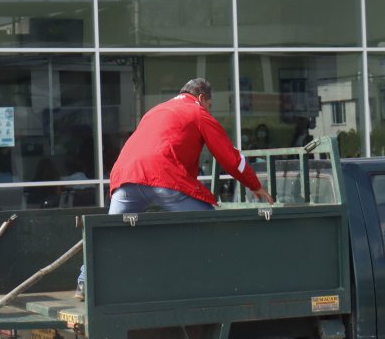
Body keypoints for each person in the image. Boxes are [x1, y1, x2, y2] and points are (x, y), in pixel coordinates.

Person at [76, 78, 274, 300]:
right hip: (163, 178)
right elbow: (229, 157)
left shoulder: (155, 111)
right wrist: (254, 184)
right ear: (201, 98)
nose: (209, 109)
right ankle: (219, 284)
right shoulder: (198, 113)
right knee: (209, 225)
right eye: (209, 104)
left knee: (108, 235)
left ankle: (84, 283)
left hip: (126, 178)